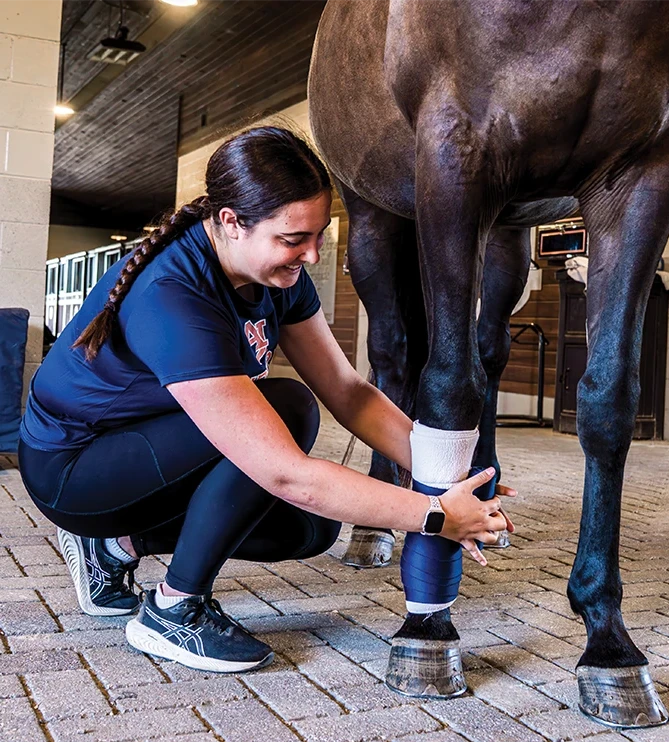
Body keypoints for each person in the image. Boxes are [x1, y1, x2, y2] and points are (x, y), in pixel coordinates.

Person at [17, 126, 514, 674]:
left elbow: (350, 393)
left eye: (321, 234)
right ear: (232, 222)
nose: (314, 252)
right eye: (293, 237)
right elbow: (286, 475)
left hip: (156, 443)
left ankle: (113, 548)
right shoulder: (172, 295)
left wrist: (447, 474)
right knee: (286, 411)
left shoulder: (280, 276)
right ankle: (173, 610)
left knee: (311, 528)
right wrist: (436, 515)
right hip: (77, 468)